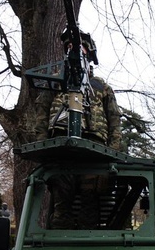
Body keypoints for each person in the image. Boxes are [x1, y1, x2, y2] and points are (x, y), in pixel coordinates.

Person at [36, 31, 122, 229]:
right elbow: (41, 115)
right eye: (69, 47)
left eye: (79, 46)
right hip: (61, 149)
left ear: (89, 52)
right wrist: (43, 146)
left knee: (89, 204)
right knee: (61, 203)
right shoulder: (56, 82)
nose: (73, 49)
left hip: (95, 151)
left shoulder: (101, 86)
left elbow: (114, 119)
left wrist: (112, 151)